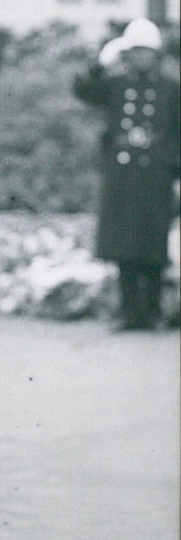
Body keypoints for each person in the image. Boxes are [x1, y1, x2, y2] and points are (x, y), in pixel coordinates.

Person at [73, 19, 180, 330]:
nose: (141, 58)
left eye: (146, 52)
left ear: (157, 54)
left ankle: (153, 312)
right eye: (134, 51)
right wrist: (101, 62)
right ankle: (128, 312)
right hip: (123, 173)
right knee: (125, 246)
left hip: (158, 174)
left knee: (154, 245)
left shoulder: (171, 89)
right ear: (126, 54)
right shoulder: (116, 84)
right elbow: (83, 90)